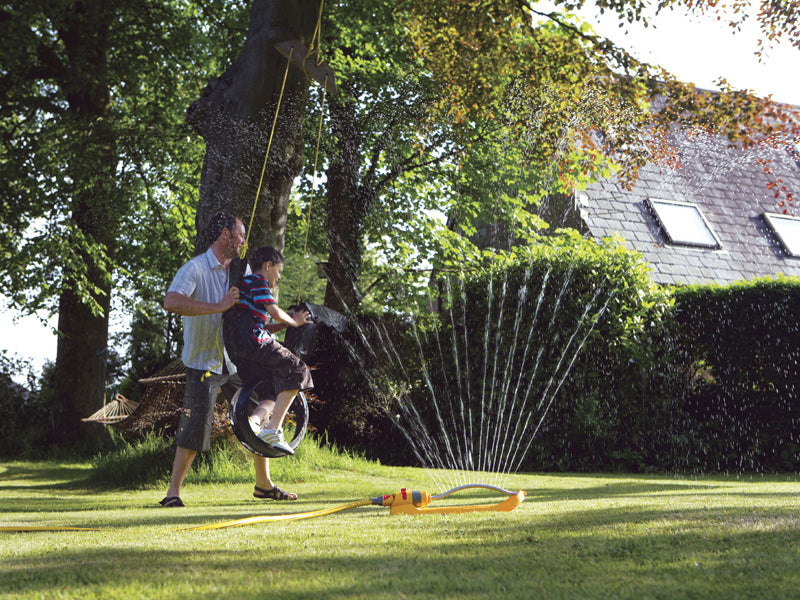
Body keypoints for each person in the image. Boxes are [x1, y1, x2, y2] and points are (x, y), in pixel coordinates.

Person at [159, 212, 297, 507]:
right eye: (240, 235)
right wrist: (218, 306)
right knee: (195, 426)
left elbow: (252, 314)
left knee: (259, 411)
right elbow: (171, 302)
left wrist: (280, 325)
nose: (244, 241)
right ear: (225, 234)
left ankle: (263, 485)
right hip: (203, 361)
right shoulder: (195, 268)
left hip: (237, 359)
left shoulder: (243, 270)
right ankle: (173, 493)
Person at [223, 245, 314, 455]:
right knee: (298, 370)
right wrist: (295, 321)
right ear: (268, 265)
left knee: (272, 389)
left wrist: (286, 324)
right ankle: (273, 429)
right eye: (279, 271)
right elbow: (273, 311)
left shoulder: (245, 287)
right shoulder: (257, 281)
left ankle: (254, 421)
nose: (279, 277)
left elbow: (263, 325)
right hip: (255, 343)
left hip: (241, 350)